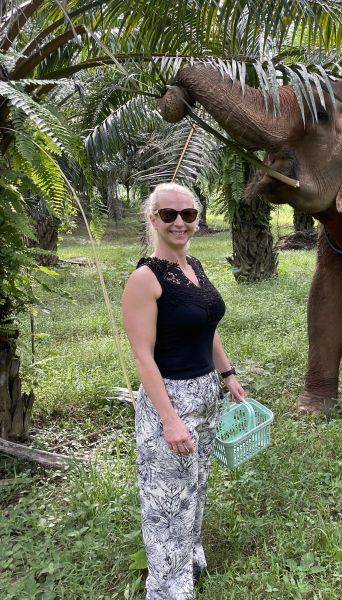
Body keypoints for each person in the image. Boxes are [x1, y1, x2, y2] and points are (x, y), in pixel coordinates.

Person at [122, 182, 244, 600]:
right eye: (169, 214)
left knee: (195, 486)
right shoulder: (145, 279)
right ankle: (168, 589)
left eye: (188, 214)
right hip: (169, 401)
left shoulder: (195, 268)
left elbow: (207, 327)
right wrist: (170, 419)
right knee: (166, 502)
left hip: (205, 394)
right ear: (153, 219)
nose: (180, 222)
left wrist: (227, 374)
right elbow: (143, 358)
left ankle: (188, 560)